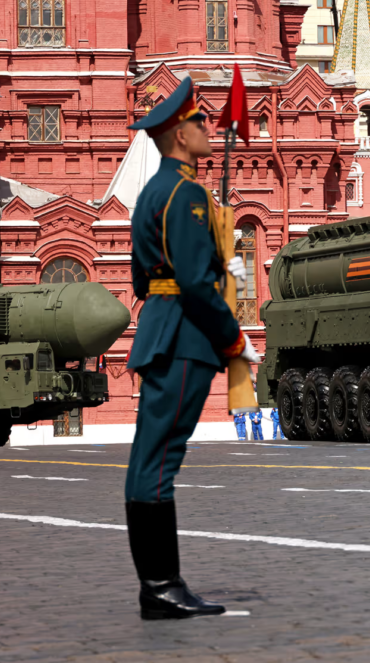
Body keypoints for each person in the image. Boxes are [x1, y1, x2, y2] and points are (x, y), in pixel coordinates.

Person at [123, 77, 259, 621]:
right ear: (180, 134)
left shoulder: (154, 192)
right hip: (183, 335)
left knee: (151, 456)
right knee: (160, 460)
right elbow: (195, 284)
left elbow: (142, 279)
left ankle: (159, 585)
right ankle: (160, 586)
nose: (208, 128)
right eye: (200, 121)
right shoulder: (187, 195)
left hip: (163, 326)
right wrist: (233, 337)